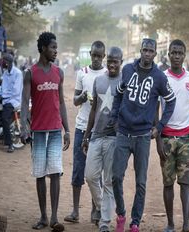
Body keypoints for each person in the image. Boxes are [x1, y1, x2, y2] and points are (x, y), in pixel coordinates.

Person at [110, 38, 176, 232]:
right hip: (123, 132)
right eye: (145, 50)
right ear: (140, 51)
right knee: (116, 177)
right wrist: (115, 119)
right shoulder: (128, 70)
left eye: (151, 51)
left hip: (143, 136)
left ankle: (135, 222)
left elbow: (170, 102)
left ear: (155, 54)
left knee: (141, 182)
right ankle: (121, 214)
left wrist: (160, 126)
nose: (147, 53)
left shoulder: (159, 77)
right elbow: (119, 94)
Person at [20, 31, 70, 232]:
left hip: (56, 131)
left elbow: (62, 103)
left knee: (55, 173)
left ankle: (55, 218)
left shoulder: (59, 72)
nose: (56, 51)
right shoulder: (30, 73)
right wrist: (23, 127)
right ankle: (43, 216)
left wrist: (67, 130)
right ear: (43, 48)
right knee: (40, 174)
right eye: (53, 47)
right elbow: (24, 102)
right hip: (38, 131)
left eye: (56, 48)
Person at [155, 39, 189, 232]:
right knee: (168, 183)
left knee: (186, 183)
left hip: (186, 139)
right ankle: (171, 223)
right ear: (168, 55)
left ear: (184, 55)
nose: (176, 56)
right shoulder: (161, 78)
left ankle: (186, 224)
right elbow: (156, 110)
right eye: (173, 53)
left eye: (180, 53)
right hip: (166, 138)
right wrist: (157, 140)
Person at [65, 41, 106, 224]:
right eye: (94, 55)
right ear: (90, 54)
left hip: (99, 130)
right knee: (78, 170)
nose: (96, 59)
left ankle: (95, 210)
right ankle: (75, 211)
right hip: (82, 127)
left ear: (103, 56)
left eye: (99, 56)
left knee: (96, 173)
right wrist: (81, 97)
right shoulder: (83, 73)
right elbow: (74, 100)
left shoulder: (107, 75)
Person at [83, 47, 123, 232]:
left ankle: (105, 223)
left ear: (121, 62)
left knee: (108, 180)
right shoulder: (98, 81)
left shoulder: (125, 83)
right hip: (96, 136)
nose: (112, 64)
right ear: (107, 60)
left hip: (114, 138)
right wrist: (86, 135)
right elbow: (93, 110)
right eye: (110, 61)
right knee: (90, 176)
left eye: (116, 61)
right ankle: (102, 207)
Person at [1, 53, 23, 153]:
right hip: (5, 99)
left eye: (3, 60)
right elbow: (3, 88)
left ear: (8, 62)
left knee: (5, 118)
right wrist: (0, 95)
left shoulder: (18, 73)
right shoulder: (5, 73)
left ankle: (10, 144)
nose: (2, 62)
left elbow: (16, 91)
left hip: (14, 101)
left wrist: (4, 96)